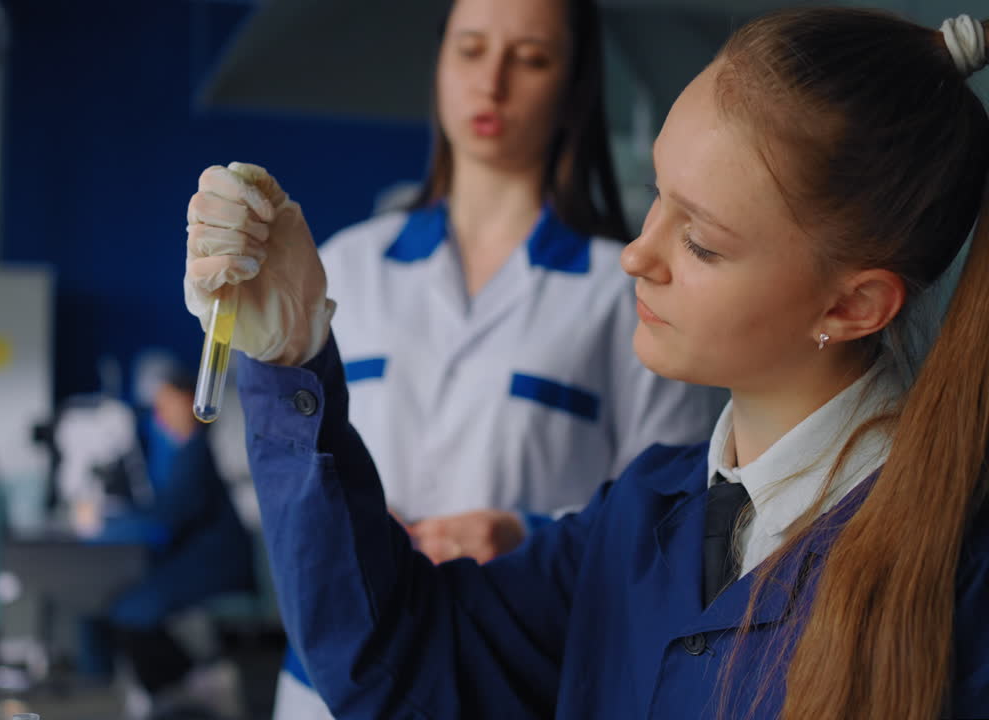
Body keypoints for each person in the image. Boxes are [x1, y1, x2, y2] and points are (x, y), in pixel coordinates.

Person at [181, 7, 989, 718]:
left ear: (852, 307)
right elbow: (396, 663)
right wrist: (291, 359)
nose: (637, 254)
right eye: (656, 195)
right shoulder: (641, 517)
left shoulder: (957, 575)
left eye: (702, 243)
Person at [259, 0, 724, 714]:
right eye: (471, 50)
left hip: (504, 671)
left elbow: (669, 516)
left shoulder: (628, 290)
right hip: (327, 683)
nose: (492, 83)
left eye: (530, 59)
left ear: (574, 86)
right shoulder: (346, 267)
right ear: (439, 63)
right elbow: (271, 464)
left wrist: (529, 536)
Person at [89, 368, 253, 719]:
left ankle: (187, 684)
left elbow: (167, 518)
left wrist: (106, 521)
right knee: (125, 603)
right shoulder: (188, 452)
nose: (160, 415)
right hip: (202, 561)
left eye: (166, 405)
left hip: (215, 567)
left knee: (129, 609)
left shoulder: (195, 453)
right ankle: (180, 685)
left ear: (188, 402)